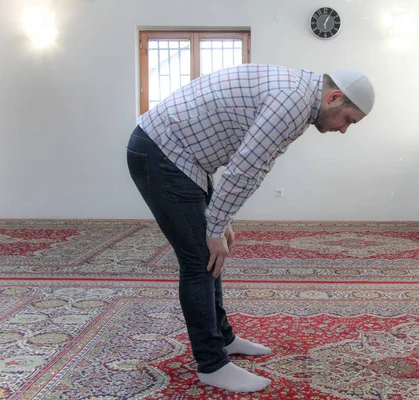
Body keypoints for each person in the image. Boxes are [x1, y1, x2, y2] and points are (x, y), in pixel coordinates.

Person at [126, 63, 374, 393]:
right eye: (348, 120)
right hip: (163, 153)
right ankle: (211, 365)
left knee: (211, 250)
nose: (344, 130)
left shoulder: (300, 96)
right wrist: (214, 226)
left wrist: (220, 221)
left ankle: (223, 339)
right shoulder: (292, 101)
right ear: (335, 97)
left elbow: (254, 167)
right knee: (200, 259)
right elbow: (243, 171)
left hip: (182, 159)